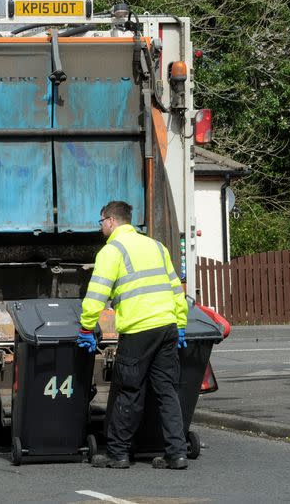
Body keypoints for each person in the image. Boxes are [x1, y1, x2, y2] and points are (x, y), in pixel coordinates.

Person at [76, 200, 189, 470]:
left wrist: (86, 326)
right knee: (167, 392)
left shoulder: (112, 250)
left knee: (129, 390)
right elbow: (176, 288)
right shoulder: (156, 247)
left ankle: (118, 454)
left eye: (101, 221)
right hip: (167, 327)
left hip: (138, 330)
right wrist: (181, 322)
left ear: (112, 221)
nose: (101, 226)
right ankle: (177, 453)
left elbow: (96, 294)